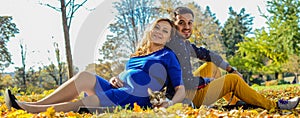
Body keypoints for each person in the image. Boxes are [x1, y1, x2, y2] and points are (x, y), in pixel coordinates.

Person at [5, 18, 186, 113]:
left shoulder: (167, 56)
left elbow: (181, 90)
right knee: (84, 77)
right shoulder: (137, 54)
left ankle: (31, 109)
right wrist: (115, 79)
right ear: (151, 30)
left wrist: (169, 103)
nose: (159, 33)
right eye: (157, 28)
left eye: (165, 31)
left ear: (169, 38)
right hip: (122, 90)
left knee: (90, 102)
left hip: (138, 98)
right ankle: (34, 104)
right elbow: (128, 75)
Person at [167, 6, 299, 110]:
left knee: (211, 65)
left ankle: (238, 101)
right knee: (233, 80)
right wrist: (209, 80)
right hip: (186, 97)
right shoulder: (176, 45)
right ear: (174, 24)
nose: (187, 27)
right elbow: (187, 81)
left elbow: (208, 54)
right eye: (181, 23)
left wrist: (230, 68)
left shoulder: (182, 43)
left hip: (185, 90)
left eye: (190, 23)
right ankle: (274, 105)